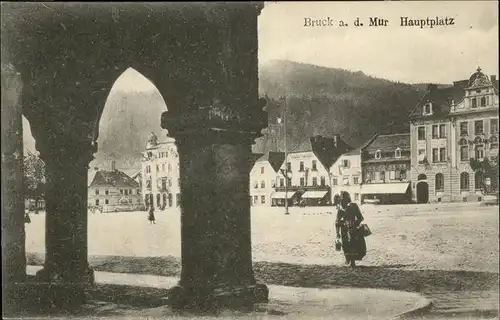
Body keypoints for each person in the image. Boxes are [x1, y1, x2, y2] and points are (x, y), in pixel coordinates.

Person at [335, 191, 366, 268]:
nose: (343, 202)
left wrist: (354, 223)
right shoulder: (340, 209)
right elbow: (337, 222)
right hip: (344, 231)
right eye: (342, 200)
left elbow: (360, 218)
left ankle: (352, 261)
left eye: (344, 200)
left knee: (353, 245)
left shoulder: (354, 206)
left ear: (347, 199)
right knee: (345, 245)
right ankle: (348, 259)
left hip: (353, 230)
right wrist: (337, 233)